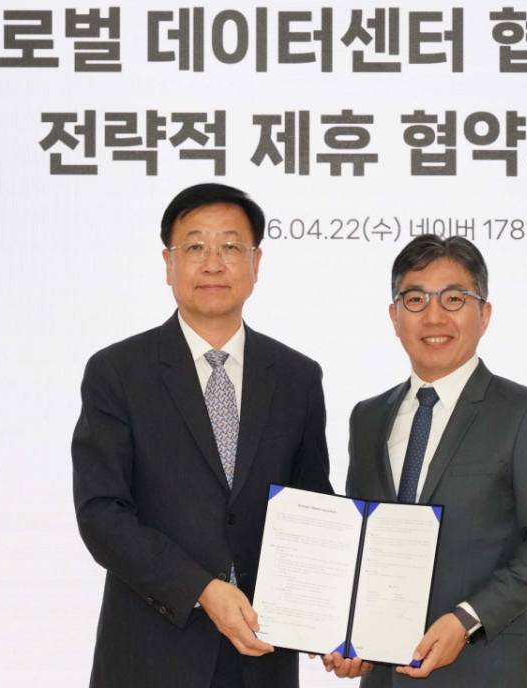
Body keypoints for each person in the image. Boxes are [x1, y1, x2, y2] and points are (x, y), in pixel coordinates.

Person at [72, 183, 332, 688]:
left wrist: (336, 623)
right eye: (195, 247)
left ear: (256, 262)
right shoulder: (118, 372)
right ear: (168, 264)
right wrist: (201, 588)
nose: (213, 263)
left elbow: (312, 507)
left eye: (230, 246)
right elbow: (101, 513)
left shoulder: (297, 376)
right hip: (152, 655)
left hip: (262, 654)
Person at [318, 234, 527, 685]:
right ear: (394, 317)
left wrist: (467, 619)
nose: (434, 316)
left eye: (454, 298)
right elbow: (362, 543)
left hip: (483, 671)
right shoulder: (367, 417)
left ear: (484, 314)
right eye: (415, 299)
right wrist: (346, 634)